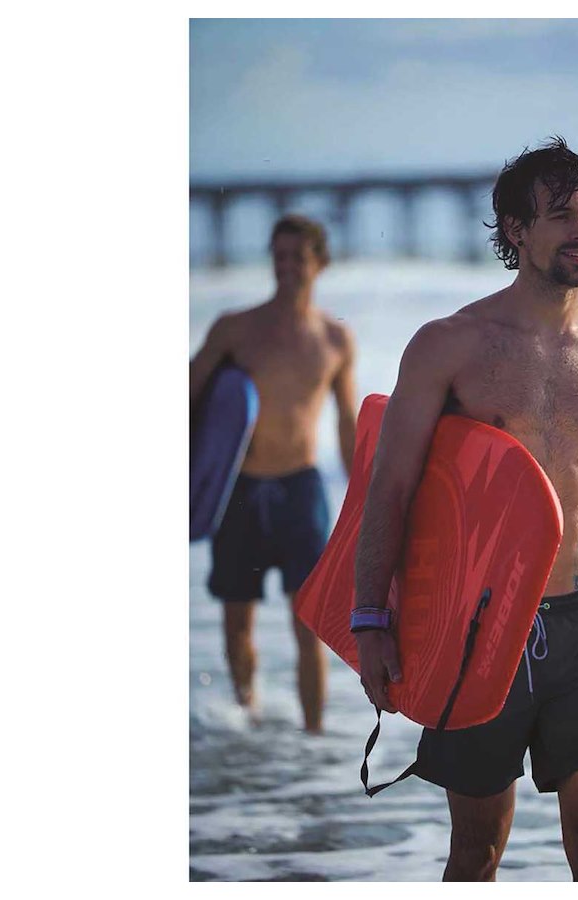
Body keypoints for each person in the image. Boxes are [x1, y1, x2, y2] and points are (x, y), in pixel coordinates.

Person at [352, 138, 578, 880]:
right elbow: (388, 487)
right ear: (516, 229)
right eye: (562, 215)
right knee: (477, 848)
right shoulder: (448, 347)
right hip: (481, 629)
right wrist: (371, 621)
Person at [190, 214, 357, 731]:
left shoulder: (335, 339)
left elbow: (347, 421)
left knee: (309, 623)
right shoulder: (235, 330)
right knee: (236, 620)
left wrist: (363, 498)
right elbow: (188, 397)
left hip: (300, 490)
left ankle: (312, 738)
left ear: (320, 264)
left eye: (297, 258)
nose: (286, 268)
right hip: (239, 490)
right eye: (279, 257)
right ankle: (249, 720)